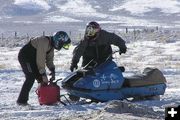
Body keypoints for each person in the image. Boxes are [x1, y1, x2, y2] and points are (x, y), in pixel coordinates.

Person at [17, 31, 71, 105]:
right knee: (30, 77)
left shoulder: (51, 46)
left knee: (42, 80)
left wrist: (52, 71)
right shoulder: (44, 41)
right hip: (25, 57)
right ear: (58, 42)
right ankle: (21, 101)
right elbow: (40, 60)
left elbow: (49, 60)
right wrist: (43, 74)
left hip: (33, 59)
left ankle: (45, 99)